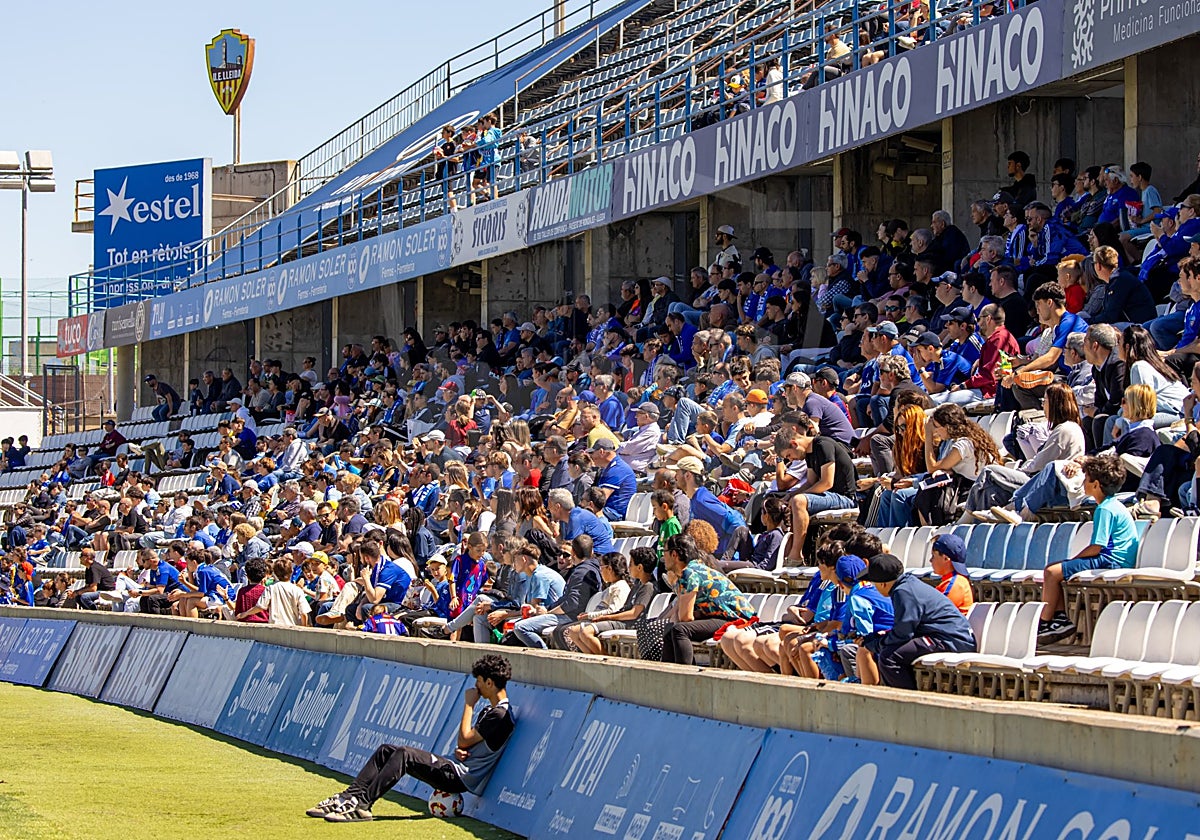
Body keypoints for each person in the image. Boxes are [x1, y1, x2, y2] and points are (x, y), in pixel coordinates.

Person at [310, 654, 514, 823]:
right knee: (385, 750)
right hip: (455, 765)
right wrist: (464, 751)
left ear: (489, 682)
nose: (476, 687)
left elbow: (464, 739)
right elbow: (471, 745)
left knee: (405, 754)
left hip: (460, 778)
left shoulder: (501, 714)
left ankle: (363, 805)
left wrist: (469, 705)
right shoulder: (490, 710)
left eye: (478, 681)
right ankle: (349, 797)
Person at [1037, 454, 1140, 643]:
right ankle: (1059, 619)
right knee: (1057, 572)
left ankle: (1043, 623)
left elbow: (1097, 547)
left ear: (1096, 485)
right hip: (1113, 559)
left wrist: (1073, 560)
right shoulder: (1113, 505)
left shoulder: (1105, 509)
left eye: (1086, 479)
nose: (1083, 482)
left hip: (1111, 561)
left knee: (1052, 572)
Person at [855, 553, 977, 690]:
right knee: (889, 650)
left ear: (883, 584)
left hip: (952, 640)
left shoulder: (903, 593)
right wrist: (878, 638)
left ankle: (906, 704)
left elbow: (902, 635)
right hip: (945, 636)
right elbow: (904, 630)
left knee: (889, 657)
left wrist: (875, 644)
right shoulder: (907, 584)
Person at [658, 533, 756, 665]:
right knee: (671, 629)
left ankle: (684, 675)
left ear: (674, 554)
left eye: (664, 552)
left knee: (680, 630)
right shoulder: (694, 569)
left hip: (736, 619)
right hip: (720, 617)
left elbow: (685, 617)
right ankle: (667, 676)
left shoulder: (689, 573)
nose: (663, 557)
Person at [928, 534, 974, 615]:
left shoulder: (955, 584)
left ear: (945, 558)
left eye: (933, 556)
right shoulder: (952, 581)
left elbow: (932, 614)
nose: (930, 560)